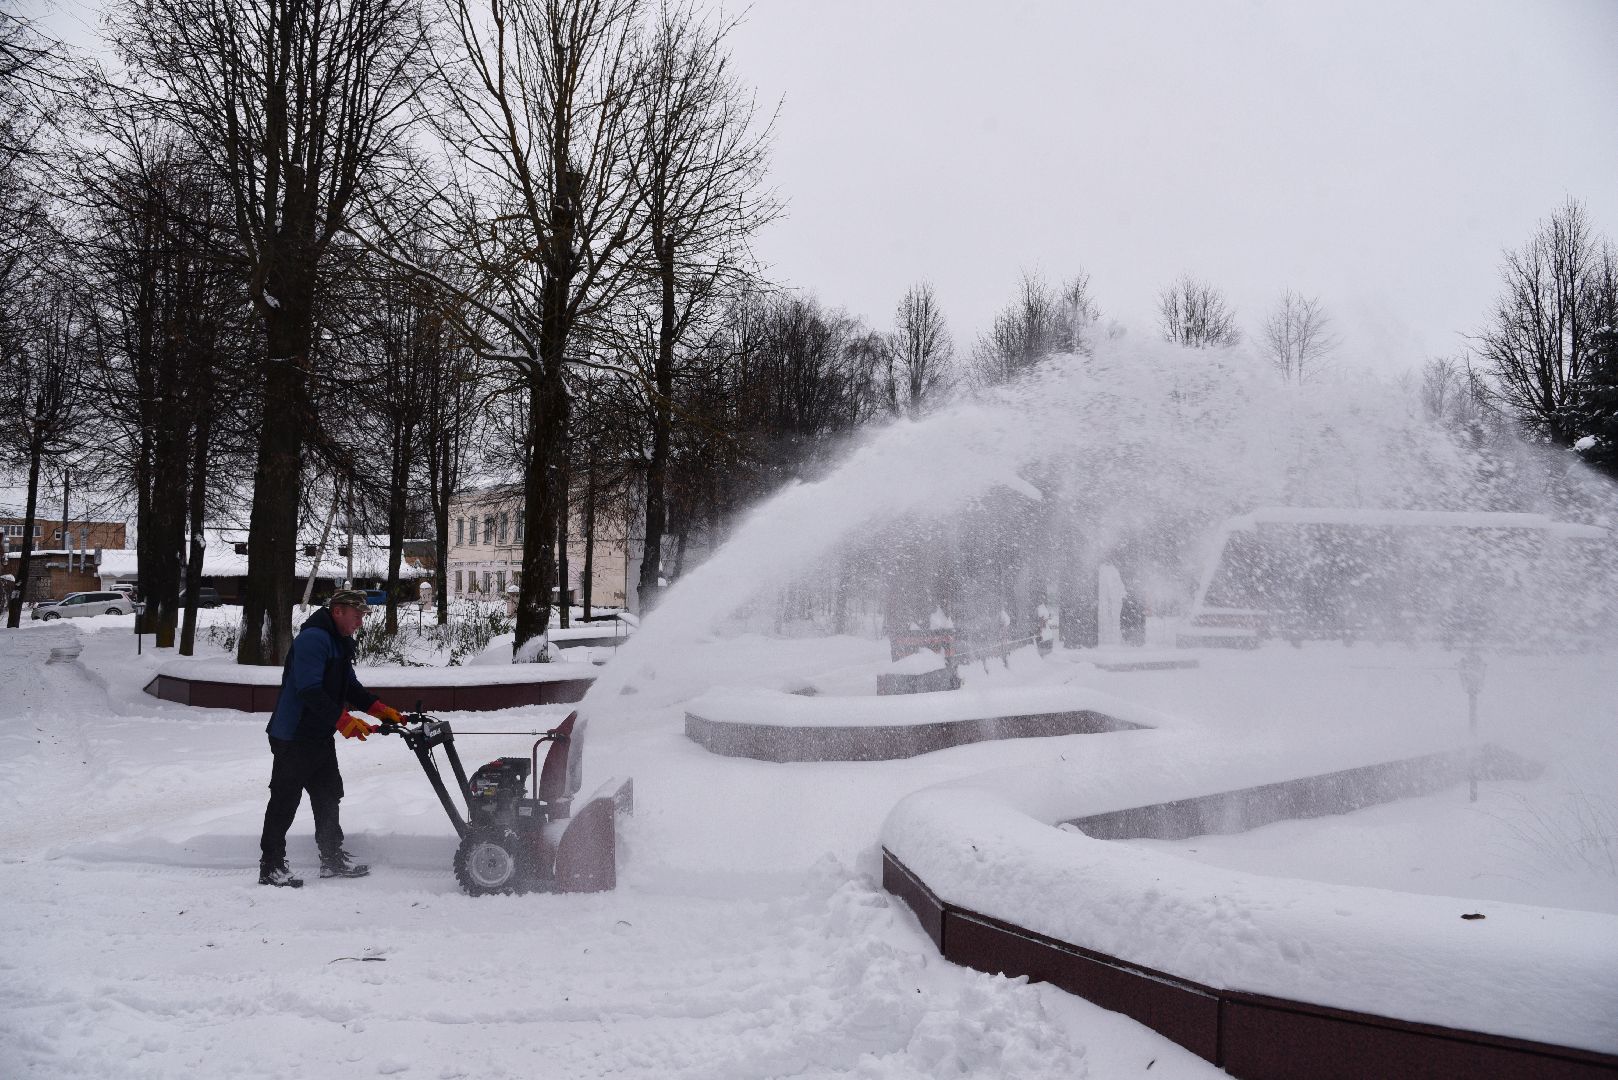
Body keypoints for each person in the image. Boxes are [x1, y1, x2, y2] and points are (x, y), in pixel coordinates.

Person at [258, 589, 403, 887]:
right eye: (357, 615)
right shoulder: (314, 639)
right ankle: (270, 865)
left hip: (318, 735)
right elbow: (309, 690)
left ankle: (331, 857)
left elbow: (349, 687)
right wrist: (344, 721)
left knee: (327, 796)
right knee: (286, 800)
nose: (360, 622)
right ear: (338, 611)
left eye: (363, 616)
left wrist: (381, 710)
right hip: (294, 735)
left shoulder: (339, 642)